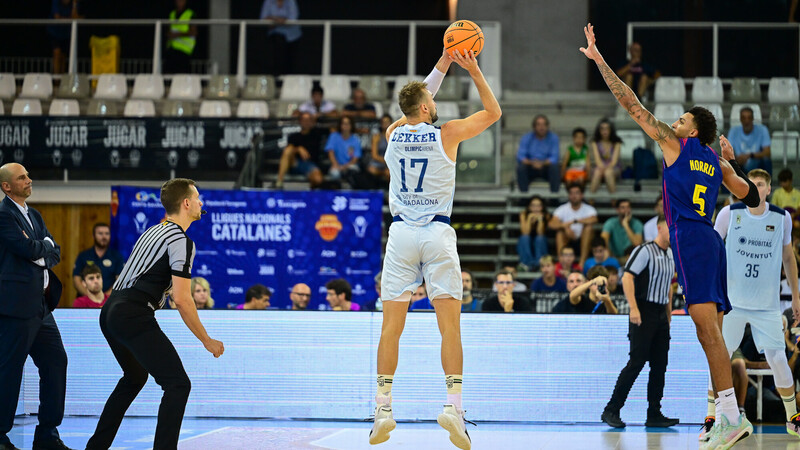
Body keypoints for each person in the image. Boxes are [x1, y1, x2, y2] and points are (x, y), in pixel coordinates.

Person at [581, 22, 762, 448]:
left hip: (693, 239)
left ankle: (732, 417)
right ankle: (726, 416)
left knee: (708, 331)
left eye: (681, 119)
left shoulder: (675, 145)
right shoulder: (718, 162)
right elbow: (752, 198)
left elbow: (631, 103)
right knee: (709, 332)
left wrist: (598, 58)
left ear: (692, 130)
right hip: (712, 243)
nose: (674, 121)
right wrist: (732, 162)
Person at [370, 47, 500, 450]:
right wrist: (474, 70)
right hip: (438, 233)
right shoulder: (448, 133)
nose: (436, 102)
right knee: (450, 325)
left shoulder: (392, 133)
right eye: (433, 101)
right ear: (426, 107)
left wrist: (442, 63)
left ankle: (383, 408)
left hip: (402, 235)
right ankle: (453, 407)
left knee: (392, 326)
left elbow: (414, 101)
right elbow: (493, 113)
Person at [86, 179, 224, 450]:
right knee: (177, 384)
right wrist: (206, 340)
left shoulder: (152, 231)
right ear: (186, 203)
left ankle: (96, 447)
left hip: (110, 311)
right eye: (197, 198)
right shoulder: (182, 241)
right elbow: (183, 300)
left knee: (134, 378)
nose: (201, 203)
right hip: (133, 314)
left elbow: (152, 281)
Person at [710, 168, 800, 439]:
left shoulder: (782, 218)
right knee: (719, 357)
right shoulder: (729, 213)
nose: (756, 188)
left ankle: (793, 418)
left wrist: (796, 296)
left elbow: (788, 257)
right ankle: (713, 418)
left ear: (769, 189)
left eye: (761, 184)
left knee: (777, 358)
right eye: (751, 184)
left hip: (767, 305)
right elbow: (713, 250)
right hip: (732, 302)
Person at [0, 163, 68, 450]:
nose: (29, 180)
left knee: (56, 362)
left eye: (28, 175)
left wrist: (41, 247)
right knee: (9, 370)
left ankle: (47, 434)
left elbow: (55, 253)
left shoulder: (34, 215)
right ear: (7, 187)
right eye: (22, 177)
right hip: (16, 307)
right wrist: (43, 246)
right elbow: (28, 249)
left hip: (41, 306)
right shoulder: (3, 216)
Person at [601, 218, 678, 429]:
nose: (675, 234)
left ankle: (654, 412)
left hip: (660, 313)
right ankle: (612, 409)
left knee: (660, 365)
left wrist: (668, 315)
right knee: (636, 362)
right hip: (643, 310)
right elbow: (627, 278)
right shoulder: (644, 251)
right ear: (660, 228)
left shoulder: (671, 254)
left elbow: (669, 287)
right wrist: (633, 308)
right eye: (671, 229)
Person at [549, 183, 598, 267]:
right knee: (560, 232)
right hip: (567, 239)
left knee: (589, 228)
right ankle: (562, 264)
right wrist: (564, 226)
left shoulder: (589, 209)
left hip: (584, 239)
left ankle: (582, 263)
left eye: (576, 193)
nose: (574, 195)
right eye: (571, 193)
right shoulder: (562, 208)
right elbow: (552, 223)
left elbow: (594, 219)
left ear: (582, 195)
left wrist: (575, 221)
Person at [275, 112, 327, 189]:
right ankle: (279, 182)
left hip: (310, 163)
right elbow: (288, 151)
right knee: (288, 150)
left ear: (312, 122)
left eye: (308, 120)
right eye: (304, 120)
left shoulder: (316, 134)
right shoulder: (294, 137)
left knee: (318, 179)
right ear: (300, 121)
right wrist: (298, 149)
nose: (306, 122)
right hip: (294, 163)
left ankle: (311, 194)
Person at [72, 222, 124, 296]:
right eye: (100, 233)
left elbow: (120, 281)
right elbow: (76, 279)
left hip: (109, 301)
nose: (104, 237)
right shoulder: (83, 256)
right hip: (85, 301)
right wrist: (90, 297)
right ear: (93, 236)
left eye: (107, 234)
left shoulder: (117, 257)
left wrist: (104, 298)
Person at [516, 115, 560, 193]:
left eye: (544, 124)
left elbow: (554, 157)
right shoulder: (526, 138)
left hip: (546, 168)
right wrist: (532, 163)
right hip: (531, 167)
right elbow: (521, 156)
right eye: (538, 124)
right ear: (534, 126)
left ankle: (554, 199)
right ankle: (524, 199)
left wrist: (542, 163)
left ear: (547, 126)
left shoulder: (553, 138)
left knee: (555, 168)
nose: (541, 127)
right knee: (521, 168)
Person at [552, 266, 617, 314]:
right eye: (595, 284)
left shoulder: (609, 301)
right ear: (588, 283)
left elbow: (614, 315)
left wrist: (607, 300)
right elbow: (572, 296)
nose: (598, 287)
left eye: (601, 284)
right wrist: (593, 281)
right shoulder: (582, 300)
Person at [260, 0, 301, 75]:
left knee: (290, 63)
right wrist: (281, 20)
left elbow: (292, 19)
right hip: (275, 36)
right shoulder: (268, 1)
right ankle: (277, 81)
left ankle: (287, 82)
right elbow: (263, 19)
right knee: (277, 57)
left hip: (293, 37)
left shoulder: (291, 1)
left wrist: (273, 19)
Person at [728, 107, 772, 174]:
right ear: (740, 119)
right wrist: (737, 159)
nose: (747, 121)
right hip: (740, 165)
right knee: (729, 163)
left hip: (757, 164)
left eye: (749, 118)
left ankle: (767, 183)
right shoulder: (733, 131)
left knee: (766, 161)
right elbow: (727, 153)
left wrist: (750, 156)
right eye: (744, 118)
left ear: (752, 119)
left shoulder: (762, 130)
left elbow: (767, 153)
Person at [517, 194, 550, 271]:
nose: (536, 208)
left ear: (542, 207)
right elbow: (525, 232)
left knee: (540, 238)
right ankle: (526, 264)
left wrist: (540, 220)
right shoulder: (524, 214)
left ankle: (539, 264)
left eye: (539, 206)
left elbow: (540, 233)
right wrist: (529, 219)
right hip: (526, 244)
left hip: (540, 244)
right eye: (533, 206)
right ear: (529, 207)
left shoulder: (546, 215)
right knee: (524, 238)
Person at [48, 0, 82, 74]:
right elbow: (57, 17)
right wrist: (71, 19)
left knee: (63, 57)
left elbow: (74, 17)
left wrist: (74, 5)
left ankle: (61, 80)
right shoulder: (56, 2)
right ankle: (56, 80)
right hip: (55, 32)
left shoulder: (74, 3)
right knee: (57, 53)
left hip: (66, 33)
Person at [589, 118, 622, 194]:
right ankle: (591, 201)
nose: (605, 131)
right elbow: (597, 160)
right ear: (599, 130)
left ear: (611, 130)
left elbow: (614, 162)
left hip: (614, 168)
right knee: (597, 172)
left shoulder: (617, 142)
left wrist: (605, 170)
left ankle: (614, 201)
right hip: (600, 167)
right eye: (602, 129)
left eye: (607, 129)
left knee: (608, 172)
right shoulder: (595, 142)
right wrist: (602, 169)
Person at [164, 0, 197, 74]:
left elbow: (194, 32)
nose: (179, 2)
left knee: (182, 74)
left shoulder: (190, 14)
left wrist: (178, 34)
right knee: (168, 72)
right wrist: (169, 34)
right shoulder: (172, 14)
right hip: (171, 48)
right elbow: (168, 29)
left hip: (184, 50)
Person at [325, 116, 361, 182]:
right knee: (335, 174)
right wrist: (335, 165)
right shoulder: (334, 136)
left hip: (350, 165)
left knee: (354, 172)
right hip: (336, 164)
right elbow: (330, 152)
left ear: (351, 125)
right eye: (344, 123)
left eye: (348, 124)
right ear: (340, 125)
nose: (346, 126)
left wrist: (344, 167)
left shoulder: (356, 139)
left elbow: (355, 159)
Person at [367, 114, 393, 186]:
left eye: (387, 122)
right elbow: (374, 155)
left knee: (390, 172)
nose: (385, 124)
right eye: (383, 122)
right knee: (371, 169)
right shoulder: (376, 137)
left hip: (391, 162)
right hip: (379, 161)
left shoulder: (395, 137)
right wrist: (385, 160)